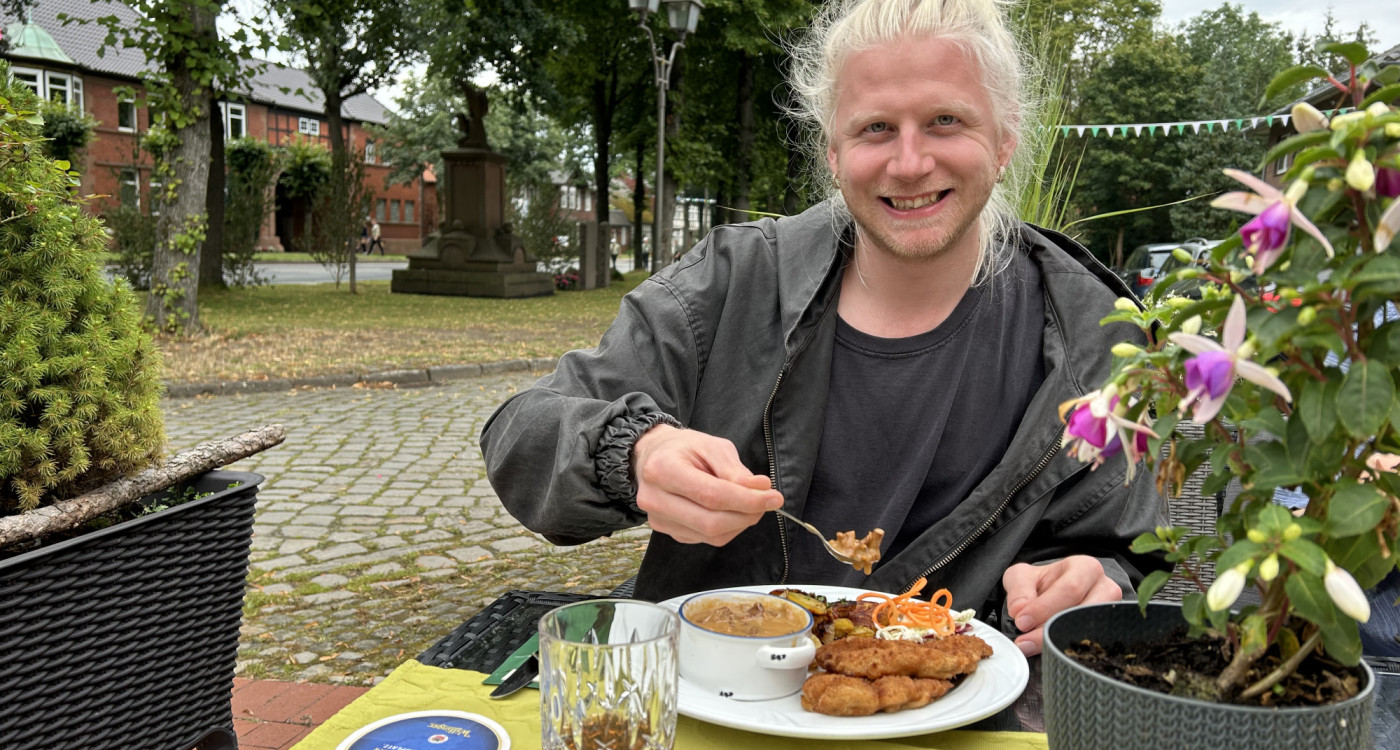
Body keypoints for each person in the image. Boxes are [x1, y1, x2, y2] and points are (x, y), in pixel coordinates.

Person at [480, 0, 1169, 657]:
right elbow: (522, 433)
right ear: (832, 152)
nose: (909, 162)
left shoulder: (1088, 333)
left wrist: (1084, 578)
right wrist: (631, 454)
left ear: (1006, 137)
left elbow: (1128, 554)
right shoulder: (730, 283)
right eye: (875, 129)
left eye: (946, 121)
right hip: (716, 703)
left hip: (961, 712)